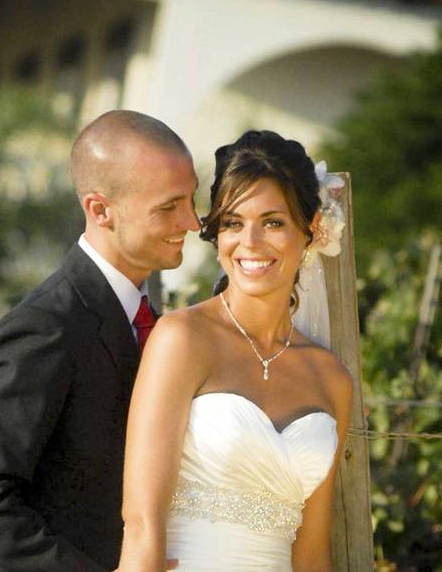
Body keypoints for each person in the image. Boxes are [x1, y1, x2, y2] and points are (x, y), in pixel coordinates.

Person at [0, 109, 200, 572]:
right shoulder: (46, 325)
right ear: (100, 210)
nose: (193, 222)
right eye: (169, 207)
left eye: (191, 199)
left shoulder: (158, 324)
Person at [117, 130, 354, 572]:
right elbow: (141, 524)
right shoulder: (182, 339)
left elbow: (312, 554)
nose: (250, 242)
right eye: (232, 222)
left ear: (312, 229)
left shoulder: (332, 380)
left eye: (273, 222)